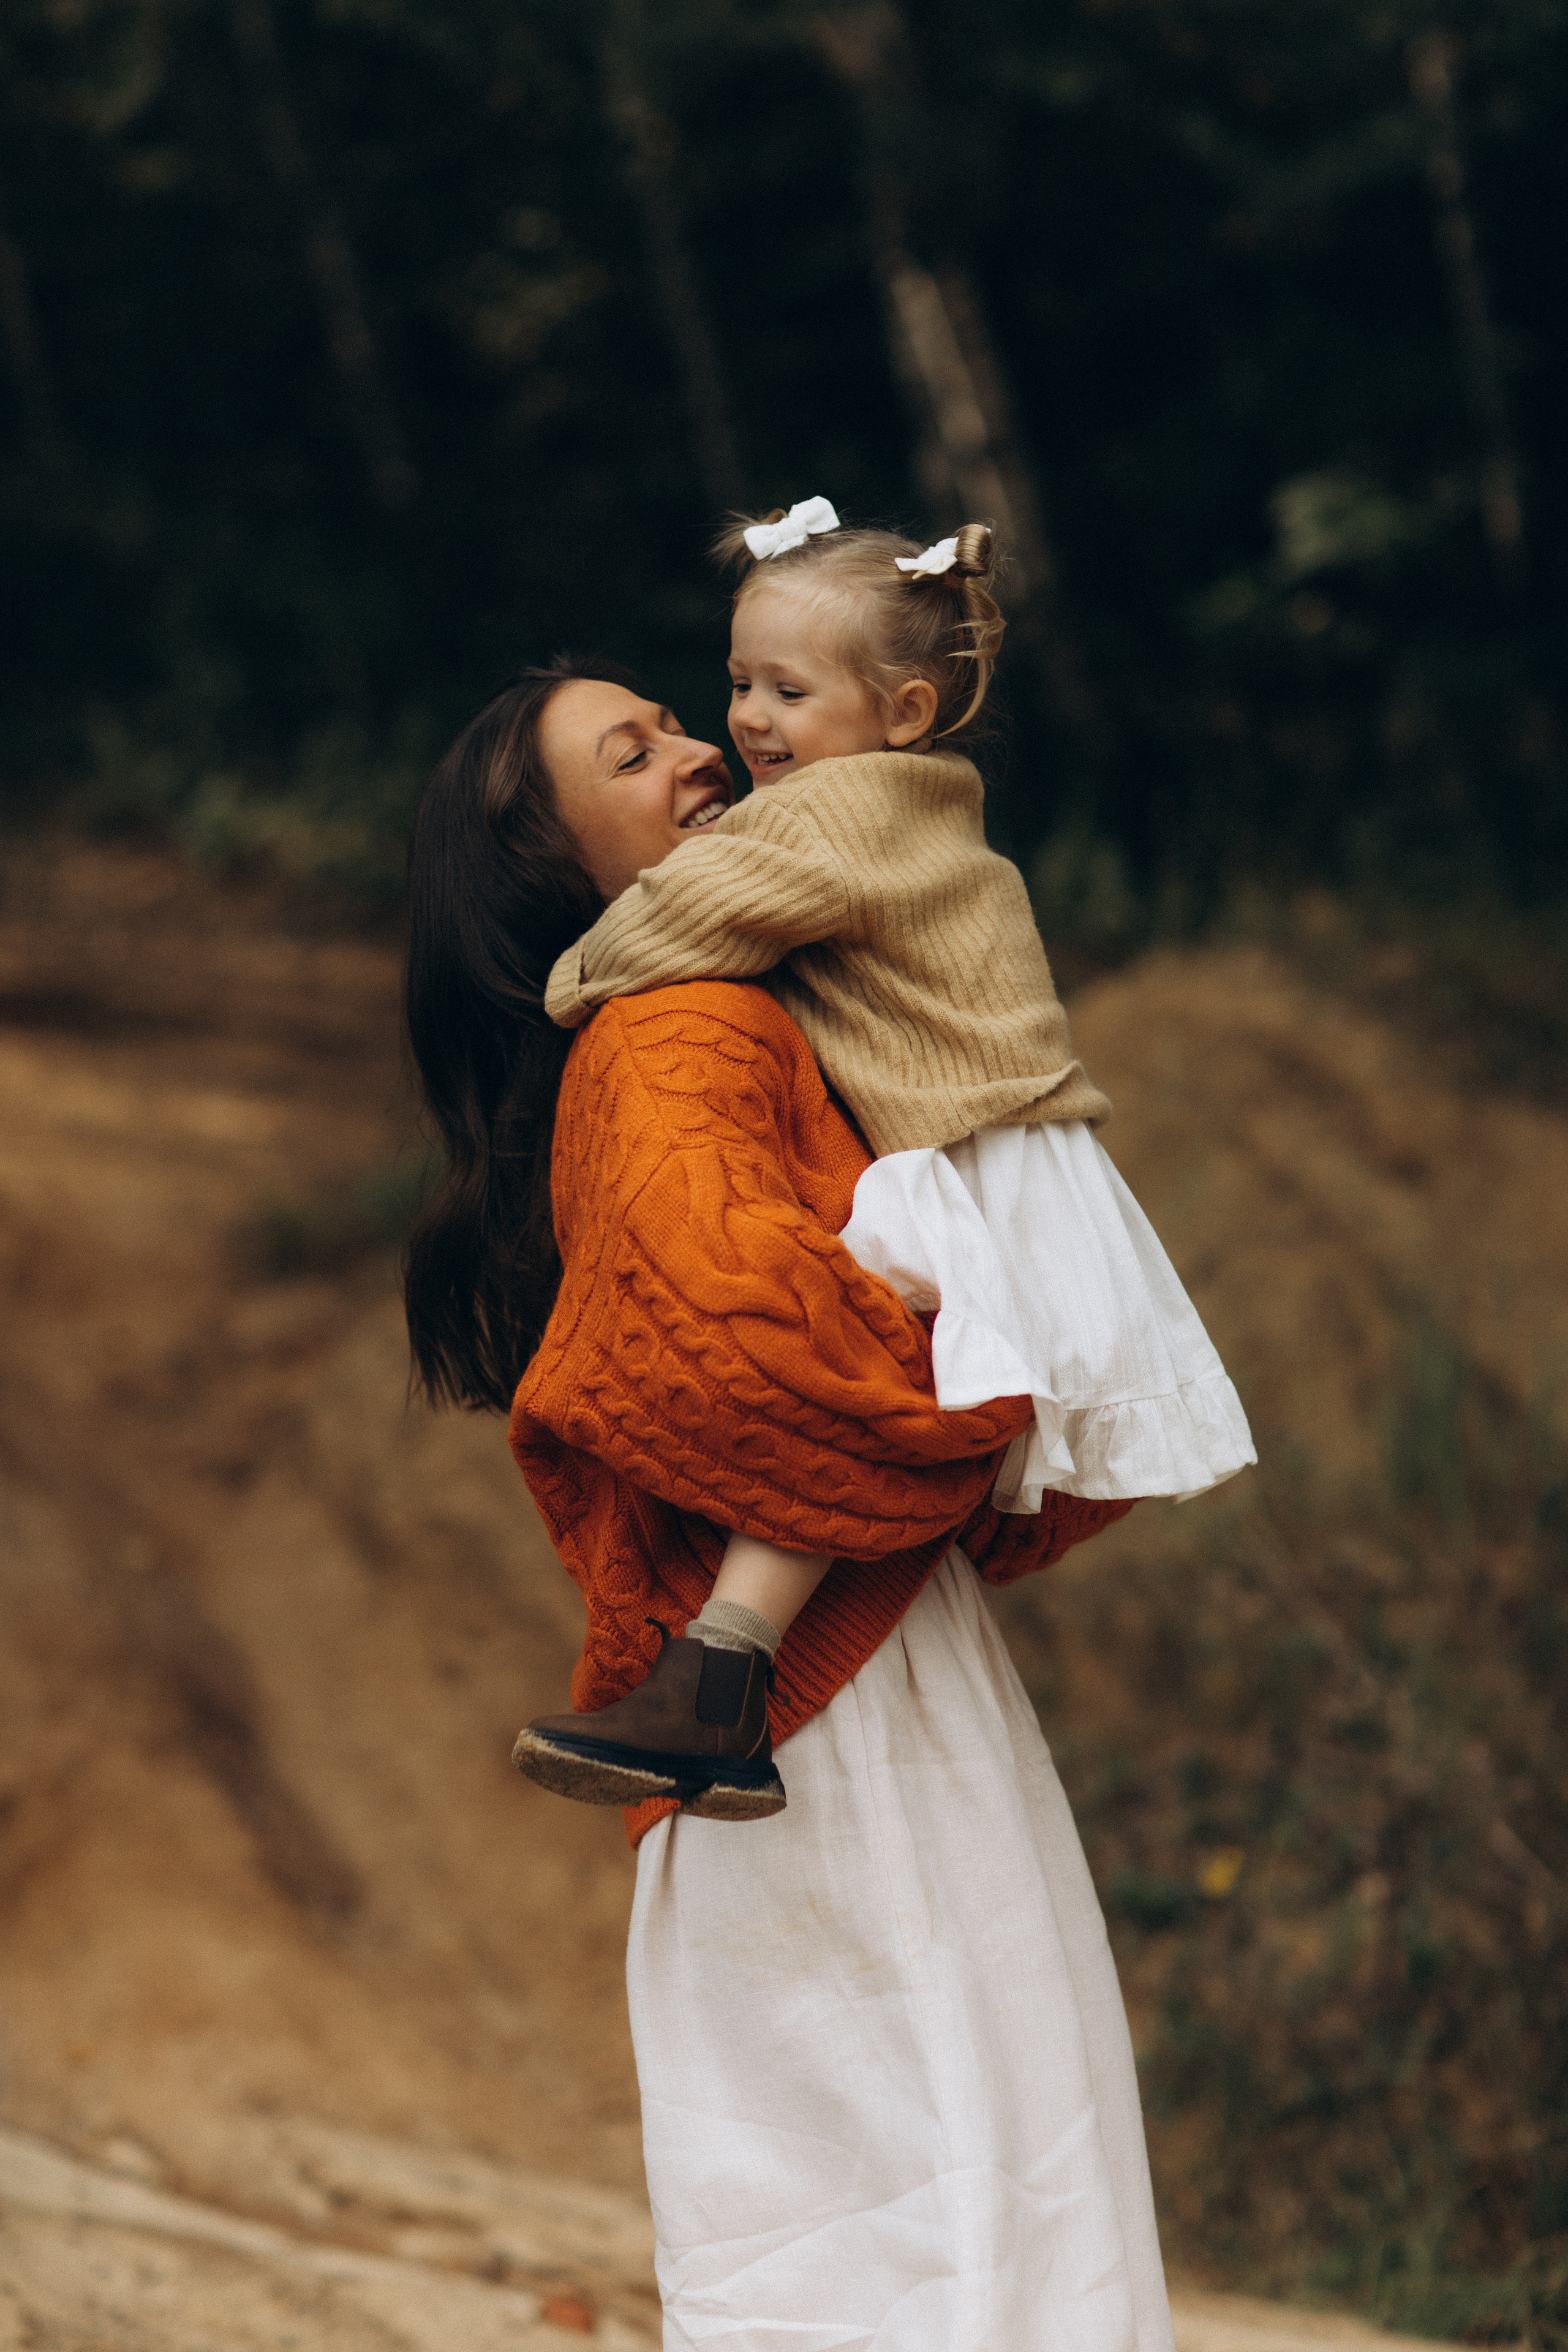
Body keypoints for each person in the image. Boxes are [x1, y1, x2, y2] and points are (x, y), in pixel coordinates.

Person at [402, 655, 1177, 2350]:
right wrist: (955, 1327)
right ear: (558, 869)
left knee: (871, 2210)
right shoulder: (681, 1028)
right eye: (636, 748)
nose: (700, 749)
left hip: (798, 1702)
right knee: (957, 2187)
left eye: (675, 719)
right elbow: (746, 1353)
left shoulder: (720, 1012)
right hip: (834, 1726)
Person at [513, 501, 1253, 1819]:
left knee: (832, 1368)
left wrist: (568, 982)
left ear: (901, 714)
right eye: (736, 681)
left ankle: (721, 1668)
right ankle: (724, 1675)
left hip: (968, 1156)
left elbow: (679, 915)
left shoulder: (837, 819)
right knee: (854, 1370)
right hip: (1001, 1147)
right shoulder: (898, 799)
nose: (741, 721)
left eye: (785, 692)